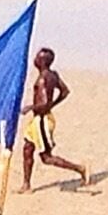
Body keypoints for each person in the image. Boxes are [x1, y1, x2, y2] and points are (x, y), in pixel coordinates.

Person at [20, 47, 88, 190]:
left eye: (38, 57)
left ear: (43, 61)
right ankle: (26, 184)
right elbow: (64, 91)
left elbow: (44, 104)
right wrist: (53, 104)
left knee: (46, 158)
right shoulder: (53, 75)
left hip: (42, 120)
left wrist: (30, 108)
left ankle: (80, 168)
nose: (35, 59)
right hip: (38, 120)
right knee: (27, 148)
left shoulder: (44, 79)